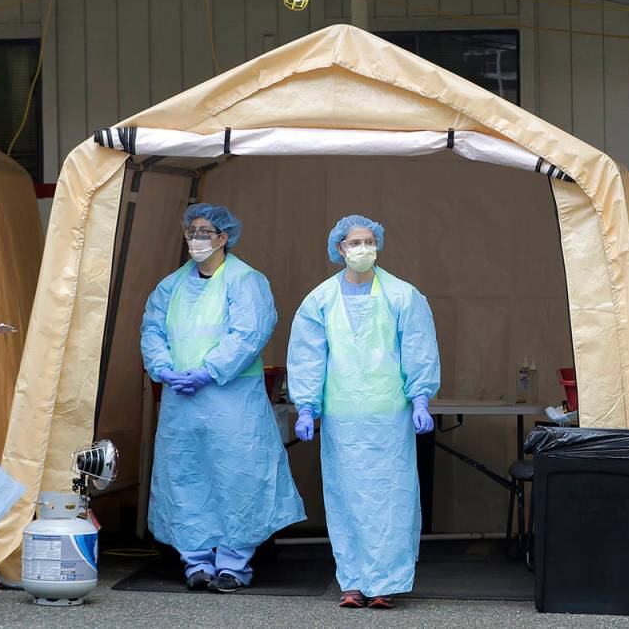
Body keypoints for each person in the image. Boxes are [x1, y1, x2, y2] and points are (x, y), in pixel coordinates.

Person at [141, 203, 305, 593]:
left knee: (239, 477)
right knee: (185, 477)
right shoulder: (170, 286)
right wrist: (164, 368)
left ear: (223, 237)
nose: (197, 239)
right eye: (191, 232)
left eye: (205, 232)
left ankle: (234, 563)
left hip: (233, 402)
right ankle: (195, 561)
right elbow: (152, 330)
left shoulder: (246, 281)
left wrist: (209, 371)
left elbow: (249, 334)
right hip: (182, 402)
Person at [288, 214, 440, 610]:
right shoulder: (319, 301)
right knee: (346, 498)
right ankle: (353, 581)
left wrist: (421, 398)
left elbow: (419, 349)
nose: (363, 249)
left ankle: (385, 582)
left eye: (369, 241)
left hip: (389, 417)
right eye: (354, 242)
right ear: (339, 248)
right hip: (342, 419)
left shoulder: (403, 296)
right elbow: (307, 357)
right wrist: (306, 407)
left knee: (391, 499)